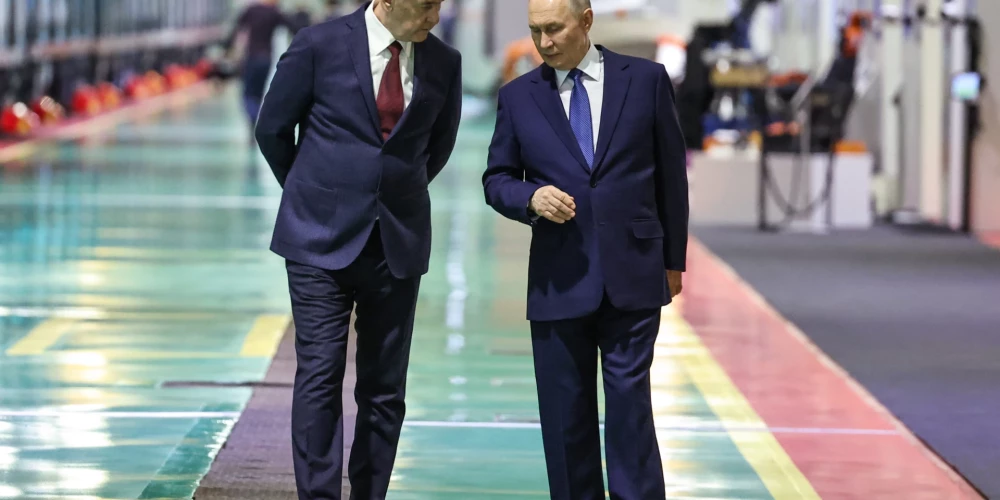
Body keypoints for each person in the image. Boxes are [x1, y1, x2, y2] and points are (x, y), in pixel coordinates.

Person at [254, 0, 461, 498]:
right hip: (317, 240)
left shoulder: (443, 62)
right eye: (425, 5)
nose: (434, 17)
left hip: (397, 243)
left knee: (385, 388)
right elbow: (272, 129)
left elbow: (438, 146)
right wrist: (311, 193)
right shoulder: (317, 46)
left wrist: (390, 196)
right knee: (320, 375)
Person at [481, 0, 688, 498]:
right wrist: (530, 197)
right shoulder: (518, 97)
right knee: (565, 417)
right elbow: (497, 179)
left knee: (630, 412)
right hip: (560, 277)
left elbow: (671, 177)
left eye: (554, 28)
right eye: (536, 31)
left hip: (633, 273)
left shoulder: (646, 80)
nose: (544, 42)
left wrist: (673, 261)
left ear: (587, 20)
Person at [224, 0, 296, 146]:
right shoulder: (275, 13)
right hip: (266, 59)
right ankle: (255, 120)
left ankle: (252, 121)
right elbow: (294, 28)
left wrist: (226, 47)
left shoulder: (251, 10)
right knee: (258, 93)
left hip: (251, 57)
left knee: (247, 93)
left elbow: (236, 29)